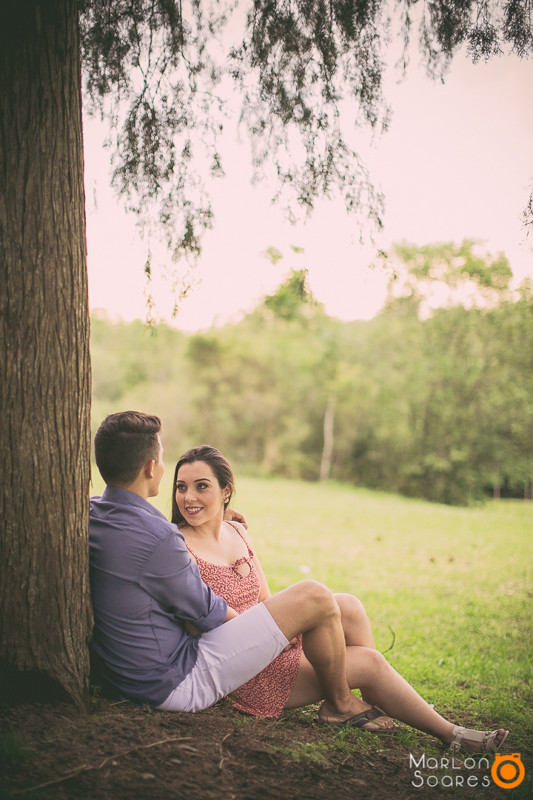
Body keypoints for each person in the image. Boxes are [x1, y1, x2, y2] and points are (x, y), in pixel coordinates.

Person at [89, 411, 508, 755]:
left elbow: (237, 592)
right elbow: (204, 616)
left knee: (348, 607)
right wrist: (282, 633)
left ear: (225, 492)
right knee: (328, 612)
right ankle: (410, 722)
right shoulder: (165, 539)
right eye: (173, 476)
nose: (186, 494)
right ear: (150, 467)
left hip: (180, 662)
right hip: (185, 674)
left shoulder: (98, 511)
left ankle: (360, 700)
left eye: (202, 487)